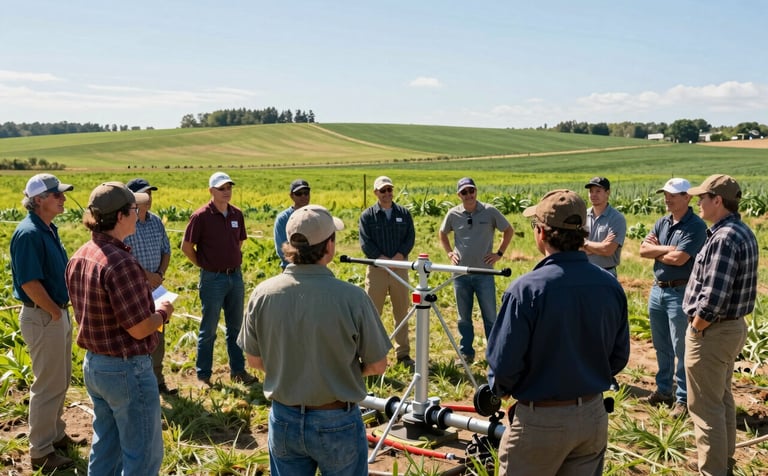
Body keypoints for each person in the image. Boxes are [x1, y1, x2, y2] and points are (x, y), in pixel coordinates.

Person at [238, 204, 391, 476]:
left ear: (290, 245)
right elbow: (379, 364)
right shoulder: (352, 298)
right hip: (338, 420)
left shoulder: (262, 294)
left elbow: (254, 360)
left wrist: (290, 372)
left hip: (284, 418)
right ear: (329, 246)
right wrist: (344, 373)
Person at [487, 189, 630, 476]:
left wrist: (502, 390)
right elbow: (618, 357)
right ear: (583, 234)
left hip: (541, 420)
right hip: (592, 415)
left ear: (541, 233)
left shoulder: (527, 290)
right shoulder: (610, 285)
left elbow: (503, 365)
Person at [65, 181, 174, 476]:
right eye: (133, 208)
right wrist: (162, 313)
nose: (138, 213)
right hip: (127, 369)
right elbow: (139, 328)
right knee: (143, 456)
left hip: (95, 366)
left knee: (106, 447)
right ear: (121, 216)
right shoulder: (121, 262)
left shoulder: (81, 255)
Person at [683, 174, 758, 476]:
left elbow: (714, 296)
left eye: (702, 197)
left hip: (712, 332)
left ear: (718, 200)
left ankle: (712, 471)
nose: (698, 202)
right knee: (722, 398)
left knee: (705, 408)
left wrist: (698, 326)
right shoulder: (741, 231)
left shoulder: (724, 237)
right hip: (732, 328)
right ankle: (723, 462)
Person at [10, 174, 85, 471]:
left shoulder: (46, 228)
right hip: (44, 315)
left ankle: (55, 434)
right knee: (47, 385)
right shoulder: (29, 233)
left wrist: (60, 311)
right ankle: (41, 451)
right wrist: (55, 311)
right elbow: (29, 282)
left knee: (60, 379)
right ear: (38, 200)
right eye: (57, 195)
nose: (63, 198)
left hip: (54, 313)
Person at [181, 171, 257, 386]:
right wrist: (205, 265)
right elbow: (186, 247)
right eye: (222, 188)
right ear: (211, 191)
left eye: (229, 188)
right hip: (212, 279)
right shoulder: (201, 216)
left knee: (236, 327)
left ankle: (238, 370)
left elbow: (239, 242)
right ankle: (204, 374)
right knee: (209, 329)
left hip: (235, 276)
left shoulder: (236, 215)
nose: (227, 192)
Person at [639, 178, 706, 416]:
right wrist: (668, 250)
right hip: (658, 289)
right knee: (661, 345)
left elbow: (680, 259)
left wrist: (659, 251)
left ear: (687, 198)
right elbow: (642, 250)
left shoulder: (695, 226)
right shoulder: (662, 222)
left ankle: (683, 398)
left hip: (681, 291)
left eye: (673, 195)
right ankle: (664, 390)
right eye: (665, 194)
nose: (667, 199)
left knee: (681, 346)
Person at [439, 177, 513, 363]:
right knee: (463, 317)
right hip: (461, 274)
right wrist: (449, 253)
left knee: (490, 316)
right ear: (459, 195)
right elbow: (442, 233)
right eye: (464, 192)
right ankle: (467, 352)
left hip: (484, 273)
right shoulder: (453, 214)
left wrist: (499, 253)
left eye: (471, 191)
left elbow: (508, 230)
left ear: (476, 191)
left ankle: (495, 353)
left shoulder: (489, 211)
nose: (469, 195)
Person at [359, 176, 416, 368]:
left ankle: (403, 354)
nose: (387, 194)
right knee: (373, 313)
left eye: (389, 189)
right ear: (375, 193)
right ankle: (370, 355)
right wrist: (382, 260)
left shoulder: (404, 214)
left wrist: (400, 256)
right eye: (382, 191)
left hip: (400, 268)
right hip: (377, 270)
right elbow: (365, 242)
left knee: (402, 311)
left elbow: (410, 237)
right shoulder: (367, 216)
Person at [124, 178, 175, 395]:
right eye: (144, 195)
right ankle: (138, 382)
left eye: (150, 194)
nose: (149, 199)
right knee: (137, 333)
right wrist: (147, 276)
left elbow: (166, 250)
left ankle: (158, 379)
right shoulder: (126, 223)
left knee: (158, 333)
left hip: (156, 289)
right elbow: (124, 256)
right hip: (134, 288)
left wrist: (159, 275)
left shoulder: (155, 222)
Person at [583, 176, 626, 277]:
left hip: (606, 273)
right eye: (591, 191)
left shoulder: (616, 218)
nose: (593, 195)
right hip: (584, 271)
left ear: (608, 192)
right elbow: (575, 247)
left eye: (598, 191)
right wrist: (600, 246)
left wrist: (584, 244)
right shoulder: (583, 216)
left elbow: (608, 250)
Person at [274, 178, 311, 269]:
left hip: (314, 267)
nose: (303, 196)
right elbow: (282, 247)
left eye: (306, 193)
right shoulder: (283, 218)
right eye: (298, 193)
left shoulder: (315, 215)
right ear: (291, 196)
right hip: (291, 267)